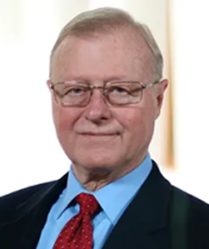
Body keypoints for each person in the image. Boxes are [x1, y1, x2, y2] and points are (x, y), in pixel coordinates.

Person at [0, 7, 209, 249]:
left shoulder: (200, 234)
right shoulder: (5, 216)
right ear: (53, 97)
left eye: (120, 90)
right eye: (76, 90)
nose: (96, 112)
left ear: (158, 99)